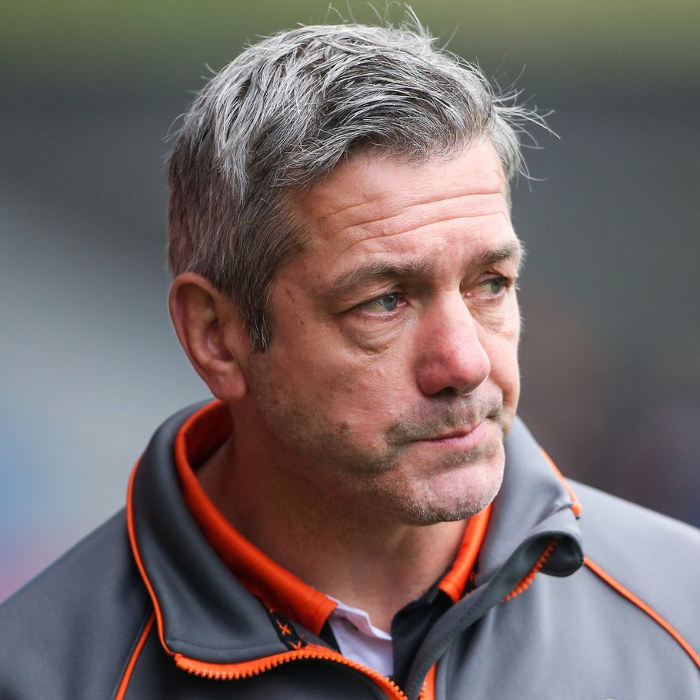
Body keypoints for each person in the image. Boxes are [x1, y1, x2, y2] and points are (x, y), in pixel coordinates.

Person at [1, 20, 699, 700]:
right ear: (216, 334)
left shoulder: (683, 610)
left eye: (490, 285)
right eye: (384, 301)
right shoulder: (38, 675)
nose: (465, 364)